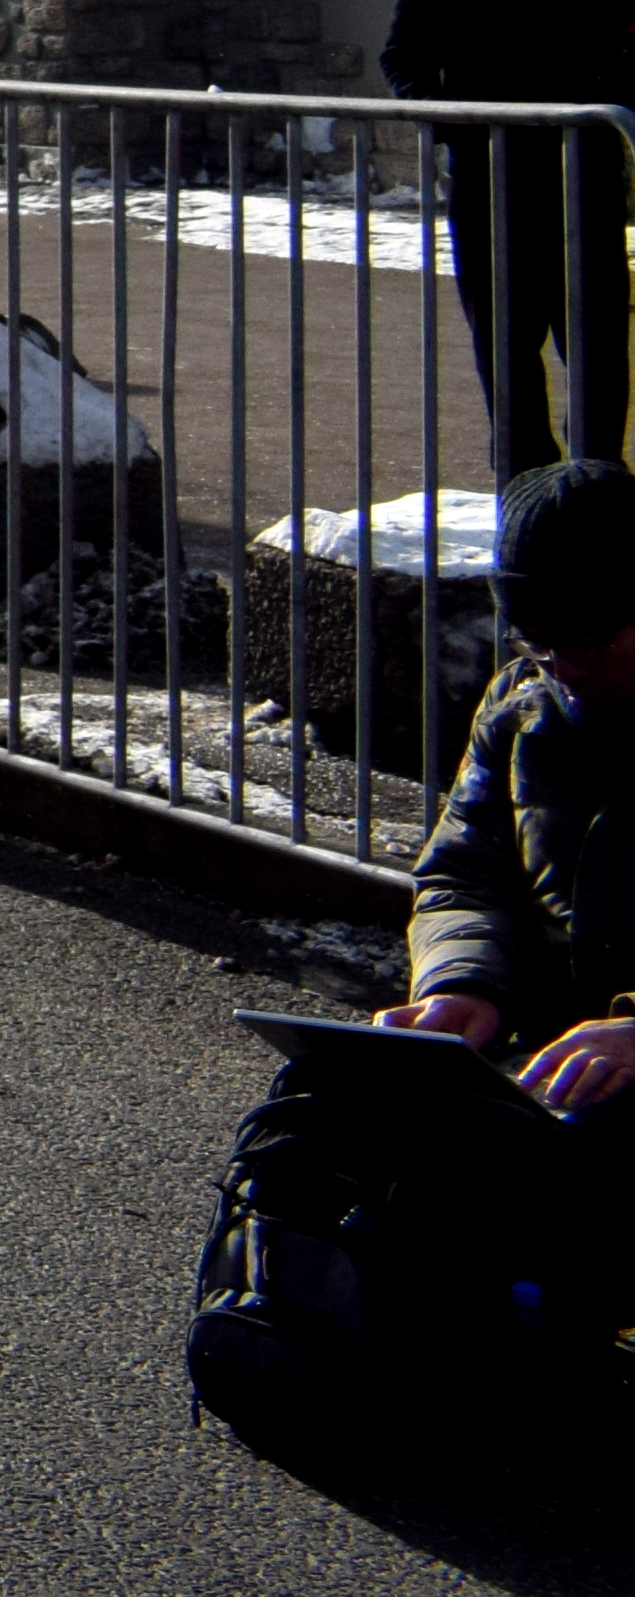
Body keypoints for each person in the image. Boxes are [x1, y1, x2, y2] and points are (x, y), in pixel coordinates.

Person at [191, 458, 635, 1456]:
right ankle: (315, 1326)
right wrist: (461, 987)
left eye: (594, 639)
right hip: (551, 1052)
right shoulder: (528, 704)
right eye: (539, 638)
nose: (565, 662)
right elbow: (467, 874)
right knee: (334, 1097)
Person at [388, 0, 634, 475]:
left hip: (581, 178)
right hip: (491, 184)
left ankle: (594, 488)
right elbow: (404, 59)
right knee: (505, 349)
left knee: (597, 348)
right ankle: (523, 495)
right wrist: (455, 121)